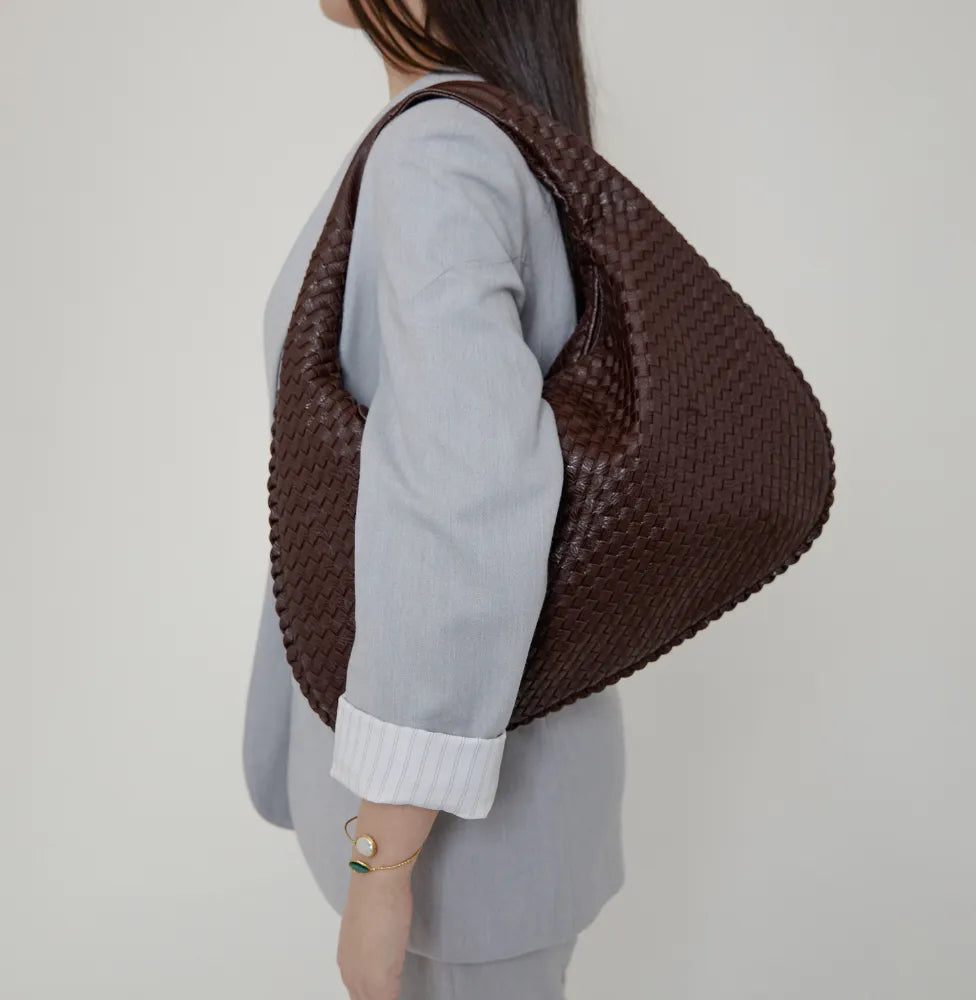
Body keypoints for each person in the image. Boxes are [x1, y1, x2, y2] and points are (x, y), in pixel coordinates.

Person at [242, 1, 627, 996]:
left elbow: (464, 503)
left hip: (452, 862)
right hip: (488, 829)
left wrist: (382, 870)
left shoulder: (439, 157)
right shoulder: (492, 138)